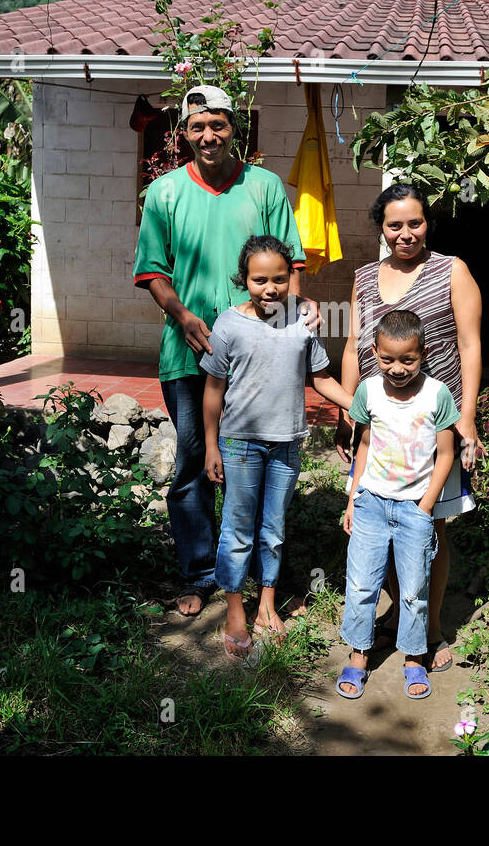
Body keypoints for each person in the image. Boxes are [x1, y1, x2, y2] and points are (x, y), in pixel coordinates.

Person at [133, 85, 315, 618]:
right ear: (183, 134)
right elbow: (152, 272)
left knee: (251, 463)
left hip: (255, 357)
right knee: (194, 459)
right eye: (197, 127)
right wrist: (184, 317)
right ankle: (199, 572)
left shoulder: (263, 186)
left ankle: (260, 577)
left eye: (218, 125)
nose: (208, 136)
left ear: (236, 129)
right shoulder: (164, 193)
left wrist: (292, 327)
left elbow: (291, 264)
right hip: (187, 354)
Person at [336, 182, 482, 673]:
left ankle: (431, 626)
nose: (405, 233)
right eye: (394, 224)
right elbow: (356, 344)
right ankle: (401, 612)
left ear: (427, 223)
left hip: (434, 429)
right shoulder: (361, 277)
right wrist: (346, 416)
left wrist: (468, 418)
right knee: (377, 524)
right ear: (381, 226)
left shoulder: (451, 270)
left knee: (428, 528)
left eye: (414, 223)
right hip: (380, 430)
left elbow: (469, 344)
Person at [201, 236, 353, 659]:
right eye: (259, 279)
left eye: (279, 279)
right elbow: (213, 389)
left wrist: (356, 406)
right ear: (243, 280)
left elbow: (320, 378)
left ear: (292, 279)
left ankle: (266, 604)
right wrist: (211, 445)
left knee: (273, 530)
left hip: (287, 446)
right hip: (239, 445)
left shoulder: (303, 322)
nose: (270, 288)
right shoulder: (229, 325)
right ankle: (235, 609)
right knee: (237, 531)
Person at [336, 311, 457, 700]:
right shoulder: (368, 391)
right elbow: (365, 446)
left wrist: (425, 507)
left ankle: (414, 656)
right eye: (387, 359)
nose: (397, 368)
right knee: (361, 583)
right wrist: (352, 499)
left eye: (408, 359)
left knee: (414, 588)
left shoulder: (437, 394)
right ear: (374, 352)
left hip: (413, 510)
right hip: (370, 502)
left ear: (423, 353)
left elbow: (445, 455)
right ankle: (359, 653)